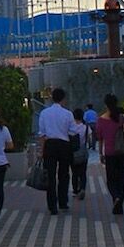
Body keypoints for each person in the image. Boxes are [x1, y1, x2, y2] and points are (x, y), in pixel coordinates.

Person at [95, 93, 124, 215]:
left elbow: (100, 139)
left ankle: (116, 197)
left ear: (105, 104)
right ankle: (120, 204)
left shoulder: (101, 120)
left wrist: (100, 154)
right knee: (121, 178)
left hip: (110, 153)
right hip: (123, 152)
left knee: (111, 179)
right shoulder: (122, 118)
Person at [37, 87, 77, 215]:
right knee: (64, 174)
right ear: (63, 99)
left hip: (49, 144)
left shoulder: (44, 113)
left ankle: (52, 205)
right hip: (64, 144)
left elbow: (42, 134)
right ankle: (63, 202)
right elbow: (73, 131)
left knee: (50, 175)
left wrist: (41, 151)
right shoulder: (68, 114)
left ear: (52, 98)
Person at [70, 108, 89, 200]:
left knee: (74, 173)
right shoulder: (86, 127)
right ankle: (82, 188)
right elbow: (89, 139)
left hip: (73, 153)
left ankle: (75, 190)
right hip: (83, 152)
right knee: (83, 173)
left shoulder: (71, 127)